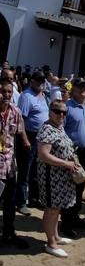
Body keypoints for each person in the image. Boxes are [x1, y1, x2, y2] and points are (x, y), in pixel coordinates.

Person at [37, 101, 80, 258]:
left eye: (64, 112)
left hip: (61, 177)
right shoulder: (47, 129)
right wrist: (66, 163)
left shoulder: (59, 127)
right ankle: (51, 244)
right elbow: (44, 155)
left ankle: (56, 237)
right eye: (57, 111)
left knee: (56, 209)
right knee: (51, 210)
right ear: (50, 111)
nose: (61, 115)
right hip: (51, 177)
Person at [61, 78, 85, 236]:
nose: (82, 90)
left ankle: (75, 216)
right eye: (79, 87)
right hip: (72, 153)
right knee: (70, 187)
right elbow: (61, 130)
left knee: (81, 185)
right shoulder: (67, 107)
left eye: (84, 87)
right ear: (73, 89)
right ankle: (66, 222)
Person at [0, 76, 30, 249]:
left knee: (10, 203)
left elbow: (21, 130)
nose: (6, 95)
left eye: (9, 92)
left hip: (9, 166)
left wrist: (26, 141)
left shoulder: (15, 111)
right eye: (3, 91)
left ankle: (8, 234)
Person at [16, 69, 49, 213]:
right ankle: (21, 202)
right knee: (25, 170)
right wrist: (24, 139)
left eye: (42, 81)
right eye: (38, 80)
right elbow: (21, 120)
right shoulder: (26, 96)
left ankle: (34, 199)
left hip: (41, 138)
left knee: (36, 170)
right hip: (29, 136)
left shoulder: (42, 95)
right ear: (32, 81)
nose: (41, 83)